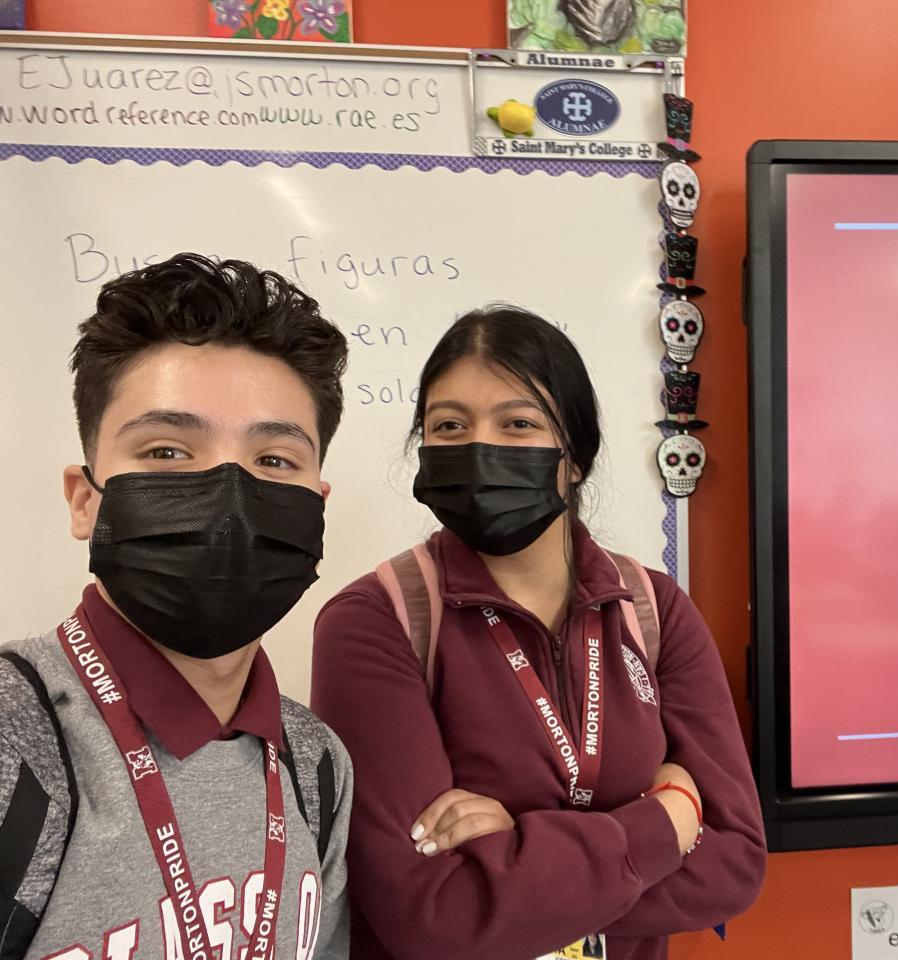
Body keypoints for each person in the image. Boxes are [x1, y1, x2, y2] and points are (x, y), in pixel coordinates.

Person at [311, 305, 766, 960]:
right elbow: (430, 913)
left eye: (518, 423)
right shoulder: (375, 620)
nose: (479, 447)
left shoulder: (654, 610)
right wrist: (666, 821)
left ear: (574, 457)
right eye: (449, 426)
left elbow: (735, 863)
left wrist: (514, 850)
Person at [0, 254, 353, 960]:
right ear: (85, 499)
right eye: (166, 451)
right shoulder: (16, 739)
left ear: (316, 508)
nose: (230, 499)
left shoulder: (317, 765)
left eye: (274, 461)